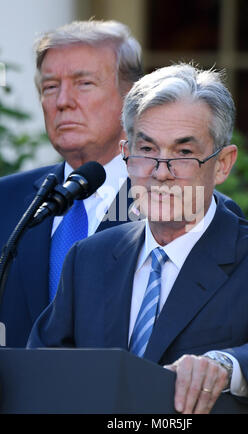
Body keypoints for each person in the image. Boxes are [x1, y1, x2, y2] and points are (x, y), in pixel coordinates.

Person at [27, 63, 248, 414]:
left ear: (222, 164)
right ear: (126, 156)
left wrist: (224, 365)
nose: (160, 172)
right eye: (148, 150)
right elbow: (43, 368)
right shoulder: (89, 257)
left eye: (184, 154)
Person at [0, 20, 143, 347]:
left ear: (132, 96)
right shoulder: (5, 200)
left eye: (84, 83)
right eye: (50, 87)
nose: (63, 101)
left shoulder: (172, 203)